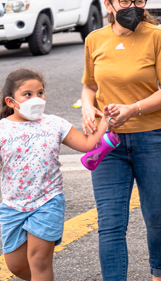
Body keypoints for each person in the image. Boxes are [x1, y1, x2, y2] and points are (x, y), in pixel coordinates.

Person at [81, 0, 161, 281]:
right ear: (109, 4)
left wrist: (133, 109)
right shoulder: (94, 40)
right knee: (110, 222)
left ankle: (159, 274)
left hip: (154, 140)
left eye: (139, 1)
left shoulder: (157, 37)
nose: (132, 7)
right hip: (107, 141)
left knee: (156, 215)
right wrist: (88, 105)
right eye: (124, 1)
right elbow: (89, 84)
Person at [0, 68, 118, 281]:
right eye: (27, 94)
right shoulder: (2, 130)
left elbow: (86, 144)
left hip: (48, 201)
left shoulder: (55, 124)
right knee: (16, 265)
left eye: (40, 93)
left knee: (39, 261)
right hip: (12, 206)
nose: (36, 99)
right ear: (10, 102)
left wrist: (105, 122)